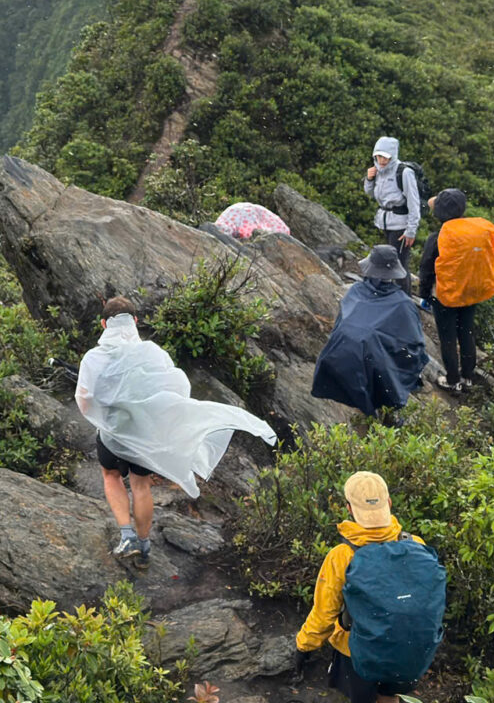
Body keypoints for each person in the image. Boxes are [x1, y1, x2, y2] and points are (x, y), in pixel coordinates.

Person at [76, 296, 277, 569]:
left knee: (111, 476)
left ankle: (127, 536)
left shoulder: (94, 358)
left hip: (112, 431)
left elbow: (84, 399)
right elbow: (176, 387)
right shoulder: (153, 352)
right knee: (140, 484)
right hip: (143, 434)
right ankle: (144, 546)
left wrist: (101, 412)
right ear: (135, 321)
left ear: (103, 324)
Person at [296, 472, 442, 703]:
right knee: (389, 697)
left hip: (357, 652)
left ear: (350, 509)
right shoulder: (416, 545)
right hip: (407, 648)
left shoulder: (342, 556)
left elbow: (324, 615)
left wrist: (304, 646)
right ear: (389, 504)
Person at [311, 246, 426, 416]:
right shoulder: (403, 303)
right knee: (402, 357)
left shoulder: (356, 290)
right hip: (370, 365)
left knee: (372, 351)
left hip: (335, 359)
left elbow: (340, 324)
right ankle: (383, 408)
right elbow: (413, 344)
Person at [416, 189, 494, 392]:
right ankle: (468, 377)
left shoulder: (438, 238)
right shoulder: (476, 232)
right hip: (472, 291)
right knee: (467, 332)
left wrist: (424, 295)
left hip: (446, 295)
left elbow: (427, 269)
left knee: (448, 337)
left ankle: (453, 380)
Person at [363, 137, 421, 292]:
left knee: (399, 264)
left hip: (401, 225)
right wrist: (369, 179)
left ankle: (404, 300)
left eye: (385, 157)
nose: (382, 161)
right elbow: (370, 194)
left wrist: (411, 230)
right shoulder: (377, 171)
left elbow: (413, 202)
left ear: (392, 156)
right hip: (384, 222)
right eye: (379, 156)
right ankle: (390, 295)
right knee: (386, 262)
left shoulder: (404, 172)